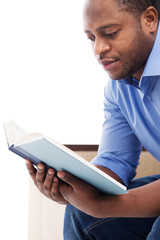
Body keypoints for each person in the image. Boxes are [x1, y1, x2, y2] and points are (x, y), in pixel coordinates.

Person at [26, 0, 160, 239]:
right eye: (91, 38)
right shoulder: (118, 89)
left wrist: (104, 206)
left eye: (110, 33)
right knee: (81, 214)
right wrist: (74, 188)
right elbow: (115, 160)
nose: (99, 49)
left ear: (149, 20)